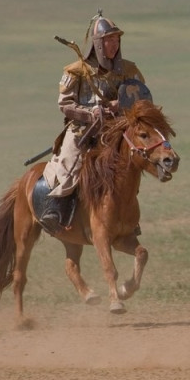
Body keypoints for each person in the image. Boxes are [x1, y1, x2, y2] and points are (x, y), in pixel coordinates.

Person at [40, 13, 145, 230]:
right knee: (71, 162)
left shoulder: (129, 70)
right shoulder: (76, 71)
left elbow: (141, 98)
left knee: (134, 160)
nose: (114, 45)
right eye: (109, 40)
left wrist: (119, 105)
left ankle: (127, 217)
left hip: (116, 127)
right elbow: (65, 104)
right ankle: (56, 209)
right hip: (82, 130)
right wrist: (90, 113)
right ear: (98, 43)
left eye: (117, 40)